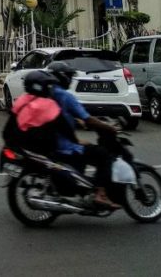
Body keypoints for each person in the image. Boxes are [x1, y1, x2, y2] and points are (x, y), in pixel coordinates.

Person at [46, 60, 122, 209]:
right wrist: (108, 128)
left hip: (52, 143)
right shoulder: (66, 96)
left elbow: (60, 116)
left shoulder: (48, 94)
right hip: (65, 147)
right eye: (69, 76)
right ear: (62, 77)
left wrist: (75, 121)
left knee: (87, 147)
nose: (71, 79)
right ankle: (100, 194)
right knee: (104, 155)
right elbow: (88, 119)